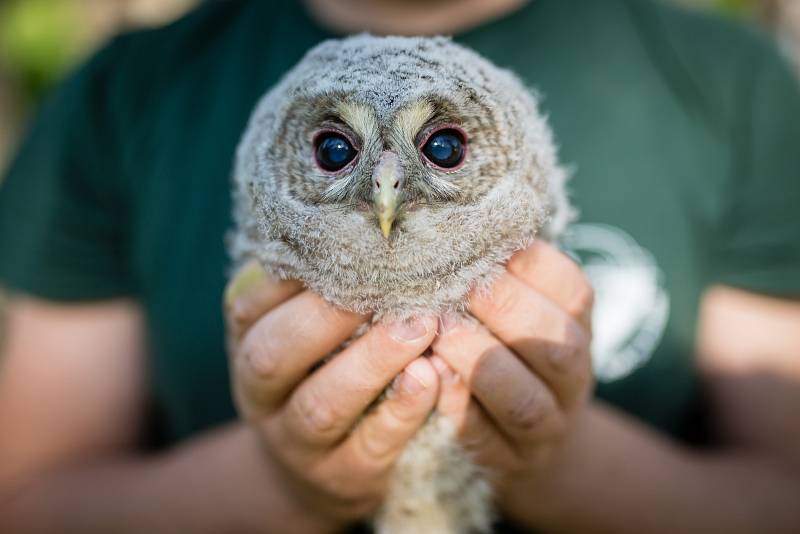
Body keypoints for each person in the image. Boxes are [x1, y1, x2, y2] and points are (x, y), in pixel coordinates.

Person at [1, 0, 799, 532]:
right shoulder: (128, 93)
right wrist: (284, 481)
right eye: (334, 149)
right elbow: (28, 505)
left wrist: (563, 463)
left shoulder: (729, 87)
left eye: (443, 147)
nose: (385, 184)